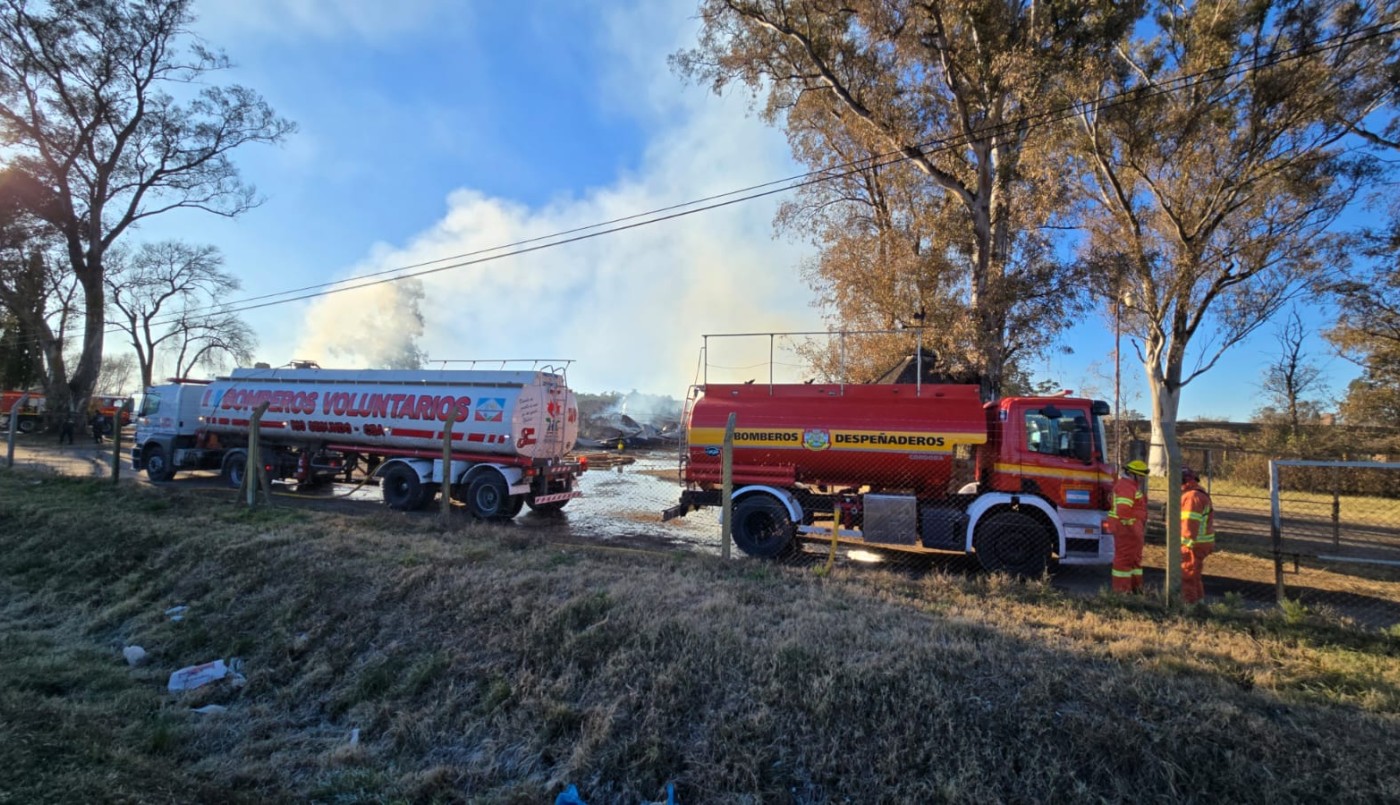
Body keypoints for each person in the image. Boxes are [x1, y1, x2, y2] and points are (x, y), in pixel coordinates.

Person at [1109, 459, 1149, 594]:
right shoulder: (1127, 486)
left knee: (1134, 560)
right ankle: (1122, 592)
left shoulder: (1129, 485)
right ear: (1133, 474)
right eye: (1141, 476)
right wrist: (1133, 527)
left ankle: (1135, 589)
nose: (1142, 479)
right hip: (1127, 530)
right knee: (1125, 561)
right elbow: (1122, 511)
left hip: (1130, 529)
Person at [1179, 466, 1216, 604]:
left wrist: (1184, 545)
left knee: (1186, 576)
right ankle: (1198, 604)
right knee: (1194, 576)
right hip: (1198, 543)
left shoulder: (1191, 497)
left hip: (1192, 544)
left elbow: (1189, 524)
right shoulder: (1196, 494)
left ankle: (1188, 606)